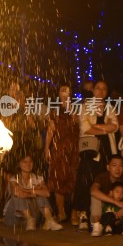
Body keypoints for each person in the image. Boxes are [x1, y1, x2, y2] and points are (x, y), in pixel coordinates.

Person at [73, 80, 118, 231]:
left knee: (104, 182)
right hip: (90, 150)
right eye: (98, 88)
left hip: (107, 151)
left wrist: (97, 127)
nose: (100, 91)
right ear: (93, 91)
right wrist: (105, 129)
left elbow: (115, 125)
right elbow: (85, 128)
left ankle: (102, 216)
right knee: (86, 181)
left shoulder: (110, 107)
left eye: (104, 89)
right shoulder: (85, 107)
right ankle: (83, 215)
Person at [44, 84, 80, 225]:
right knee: (58, 179)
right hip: (58, 149)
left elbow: (76, 121)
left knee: (73, 179)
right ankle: (61, 212)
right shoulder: (54, 110)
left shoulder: (76, 108)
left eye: (68, 91)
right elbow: (51, 130)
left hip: (73, 149)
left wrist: (69, 105)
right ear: (58, 93)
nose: (65, 93)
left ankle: (74, 213)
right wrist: (46, 148)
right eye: (62, 90)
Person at [4, 155, 63, 231]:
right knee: (17, 195)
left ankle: (49, 220)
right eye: (25, 162)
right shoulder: (14, 178)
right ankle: (29, 219)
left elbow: (47, 193)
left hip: (34, 216)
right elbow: (17, 193)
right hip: (14, 216)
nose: (28, 164)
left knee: (41, 195)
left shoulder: (38, 178)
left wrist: (30, 191)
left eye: (30, 161)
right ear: (19, 164)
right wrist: (36, 191)